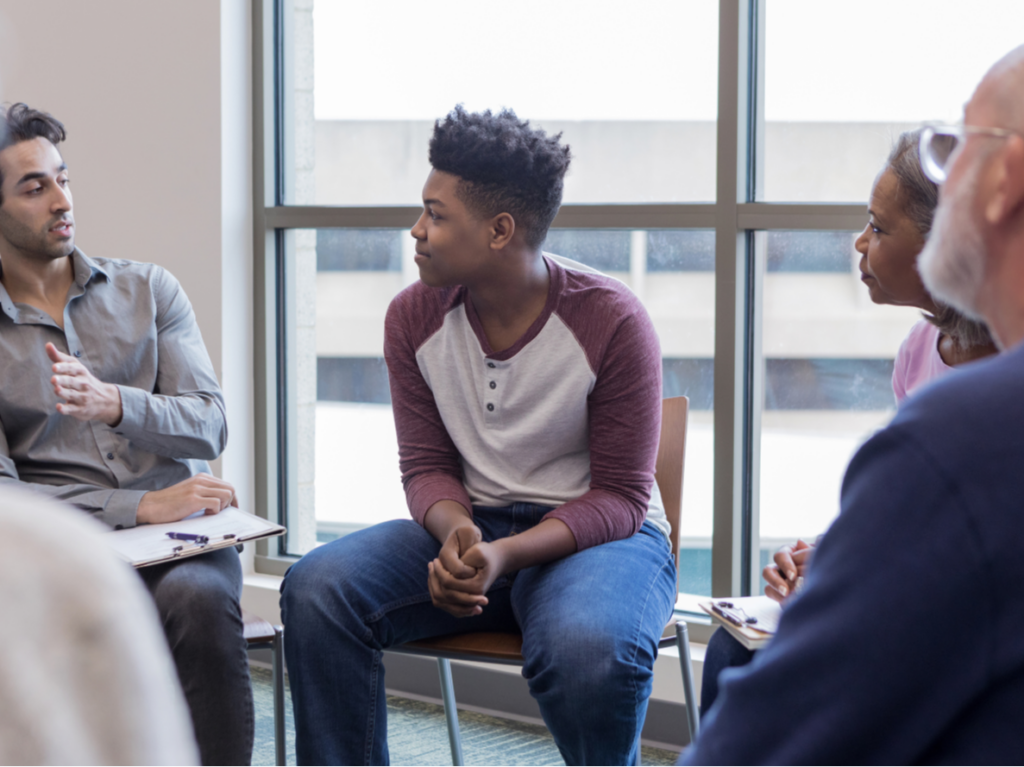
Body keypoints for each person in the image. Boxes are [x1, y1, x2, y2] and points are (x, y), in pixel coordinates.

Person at [281, 106, 677, 766]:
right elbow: (427, 464)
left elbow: (620, 498)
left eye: (436, 214)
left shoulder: (612, 320)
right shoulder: (412, 317)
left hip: (600, 539)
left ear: (499, 230)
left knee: (588, 651)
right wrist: (458, 532)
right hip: (476, 527)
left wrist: (505, 555)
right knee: (319, 589)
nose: (417, 230)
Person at [680, 45, 1024, 765]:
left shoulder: (959, 436)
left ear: (1007, 182)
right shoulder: (928, 373)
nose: (944, 163)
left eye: (959, 142)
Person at [0, 103, 252, 767]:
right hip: (69, 551)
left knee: (197, 599)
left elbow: (209, 420)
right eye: (34, 187)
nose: (62, 200)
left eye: (63, 178)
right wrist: (136, 506)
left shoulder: (150, 290)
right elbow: (5, 498)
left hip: (182, 545)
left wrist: (116, 403)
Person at [0, 485, 200, 767]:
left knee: (199, 598)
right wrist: (134, 504)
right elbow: (5, 487)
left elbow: (209, 442)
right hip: (66, 532)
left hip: (179, 524)